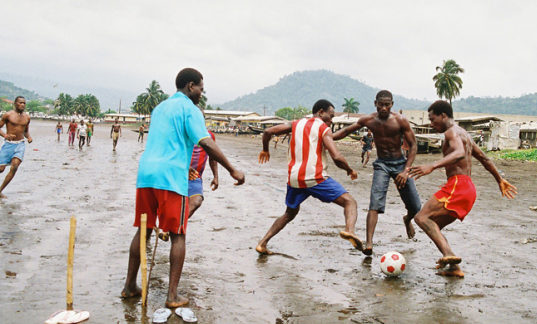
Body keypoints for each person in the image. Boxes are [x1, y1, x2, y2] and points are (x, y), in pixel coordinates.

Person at [121, 68, 245, 308]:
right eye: (200, 88)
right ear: (191, 86)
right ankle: (172, 295)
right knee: (178, 234)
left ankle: (129, 286)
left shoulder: (159, 108)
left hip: (146, 173)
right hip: (171, 178)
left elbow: (168, 140)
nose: (201, 93)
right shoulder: (190, 109)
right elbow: (206, 142)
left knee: (143, 230)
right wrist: (232, 169)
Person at [409, 101, 518, 278]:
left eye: (432, 119)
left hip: (457, 186)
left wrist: (432, 165)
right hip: (468, 189)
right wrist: (499, 179)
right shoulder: (464, 133)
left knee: (421, 218)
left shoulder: (451, 132)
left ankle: (448, 255)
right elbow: (484, 158)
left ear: (443, 115)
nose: (431, 123)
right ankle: (454, 268)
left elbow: (459, 153)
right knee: (433, 225)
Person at [256, 99, 361, 255]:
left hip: (294, 179)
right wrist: (349, 169)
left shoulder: (295, 124)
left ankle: (262, 243)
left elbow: (268, 132)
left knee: (289, 214)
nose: (331, 121)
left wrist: (265, 149)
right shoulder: (323, 128)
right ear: (320, 112)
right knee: (350, 202)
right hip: (315, 178)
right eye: (330, 116)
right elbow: (336, 156)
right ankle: (349, 230)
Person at [333, 90, 421, 256]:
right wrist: (327, 137)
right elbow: (346, 131)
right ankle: (369, 243)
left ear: (392, 105)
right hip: (382, 164)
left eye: (387, 104)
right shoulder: (369, 120)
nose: (384, 108)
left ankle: (407, 219)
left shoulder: (400, 120)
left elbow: (413, 146)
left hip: (400, 163)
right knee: (375, 202)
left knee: (415, 207)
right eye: (381, 104)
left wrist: (406, 170)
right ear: (375, 103)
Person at [158, 129, 219, 242]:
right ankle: (163, 229)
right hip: (176, 175)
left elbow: (213, 157)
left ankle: (172, 227)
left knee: (196, 201)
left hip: (194, 178)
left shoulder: (209, 136)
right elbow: (168, 154)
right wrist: (184, 167)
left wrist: (215, 176)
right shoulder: (180, 133)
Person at [0, 96, 33, 199]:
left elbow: (25, 130)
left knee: (14, 167)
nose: (22, 105)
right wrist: (5, 135)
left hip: (20, 144)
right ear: (15, 103)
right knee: (1, 169)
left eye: (24, 103)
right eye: (20, 103)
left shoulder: (27, 117)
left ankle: (0, 191)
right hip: (8, 144)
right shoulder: (8, 115)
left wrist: (29, 137)